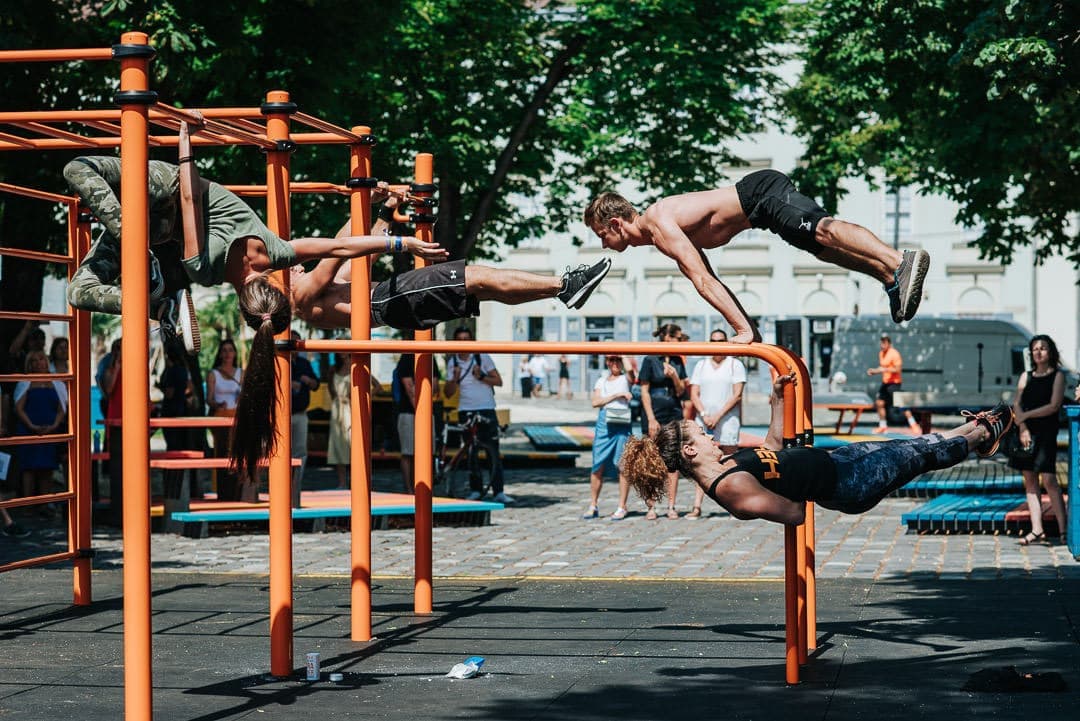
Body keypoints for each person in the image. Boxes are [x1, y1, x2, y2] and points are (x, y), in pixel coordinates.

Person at [228, 251, 611, 486]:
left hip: (392, 303)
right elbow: (334, 251)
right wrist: (395, 239)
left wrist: (381, 211)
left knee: (481, 288)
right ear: (280, 285)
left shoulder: (316, 292)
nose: (295, 266)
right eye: (288, 269)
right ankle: (564, 285)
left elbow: (352, 256)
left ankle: (562, 290)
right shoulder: (303, 293)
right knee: (476, 276)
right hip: (391, 299)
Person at [63, 121, 433, 353]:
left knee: (78, 168)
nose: (296, 273)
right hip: (152, 228)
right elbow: (341, 248)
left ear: (275, 285)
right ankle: (159, 307)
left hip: (168, 192)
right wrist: (391, 229)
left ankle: (139, 259)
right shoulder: (205, 272)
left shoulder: (278, 255)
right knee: (78, 292)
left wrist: (186, 142)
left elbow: (190, 198)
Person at [621, 373, 1015, 525]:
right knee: (920, 456)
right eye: (701, 434)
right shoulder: (729, 488)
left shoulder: (728, 462)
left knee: (914, 444)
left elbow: (772, 449)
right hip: (848, 483)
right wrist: (798, 475)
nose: (709, 435)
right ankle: (984, 435)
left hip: (837, 462)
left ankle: (976, 427)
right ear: (690, 452)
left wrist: (777, 401)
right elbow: (793, 513)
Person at [584, 171, 931, 343]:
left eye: (601, 235)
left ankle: (898, 261)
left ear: (615, 224)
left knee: (822, 230)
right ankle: (890, 278)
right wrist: (748, 327)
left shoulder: (659, 221)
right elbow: (710, 278)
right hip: (761, 214)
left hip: (763, 194)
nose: (603, 245)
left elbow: (703, 281)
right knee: (823, 250)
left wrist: (742, 330)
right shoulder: (659, 233)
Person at [443, 326, 513, 504]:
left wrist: (481, 376)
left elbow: (498, 381)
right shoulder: (453, 362)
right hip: (466, 410)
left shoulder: (482, 357)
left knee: (493, 451)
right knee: (471, 452)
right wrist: (455, 378)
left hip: (486, 408)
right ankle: (476, 489)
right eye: (460, 340)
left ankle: (498, 491)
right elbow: (448, 393)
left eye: (467, 339)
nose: (463, 343)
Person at [1011, 335, 1067, 546]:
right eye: (1035, 348)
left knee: (1050, 480)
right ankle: (1037, 529)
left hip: (1046, 433)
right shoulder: (1025, 376)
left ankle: (1063, 529)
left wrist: (1026, 416)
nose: (1038, 352)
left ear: (1050, 351)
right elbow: (1017, 404)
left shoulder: (1058, 376)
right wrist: (1023, 427)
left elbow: (1054, 406)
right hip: (1026, 433)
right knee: (1030, 480)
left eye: (1042, 348)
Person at [686, 329, 747, 519]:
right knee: (699, 463)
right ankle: (697, 506)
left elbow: (737, 395)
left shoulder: (735, 365)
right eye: (713, 341)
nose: (716, 344)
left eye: (720, 341)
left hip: (727, 419)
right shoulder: (701, 365)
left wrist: (718, 416)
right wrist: (705, 414)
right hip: (705, 418)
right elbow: (694, 393)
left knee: (731, 461)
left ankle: (735, 504)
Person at [637, 323, 688, 520]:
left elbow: (681, 391)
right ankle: (651, 506)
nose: (680, 341)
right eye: (678, 338)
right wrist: (651, 418)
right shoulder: (650, 358)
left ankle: (671, 505)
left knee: (672, 460)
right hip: (654, 410)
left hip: (673, 410)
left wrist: (674, 376)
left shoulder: (677, 360)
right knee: (651, 460)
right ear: (667, 337)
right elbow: (644, 391)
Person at [13, 351, 66, 508]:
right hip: (28, 430)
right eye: (33, 360)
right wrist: (31, 426)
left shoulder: (57, 383)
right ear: (29, 364)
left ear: (47, 361)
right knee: (28, 468)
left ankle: (45, 504)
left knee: (47, 468)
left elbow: (62, 408)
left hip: (51, 430)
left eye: (41, 359)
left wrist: (54, 426)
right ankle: (28, 505)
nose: (38, 363)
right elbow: (19, 408)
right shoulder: (24, 383)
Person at [584, 355, 633, 520]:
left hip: (622, 422)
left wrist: (623, 354)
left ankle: (622, 506)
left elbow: (631, 372)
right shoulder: (601, 381)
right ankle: (593, 504)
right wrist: (617, 395)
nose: (615, 363)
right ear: (607, 362)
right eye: (612, 360)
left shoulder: (626, 379)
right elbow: (595, 402)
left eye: (618, 360)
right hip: (605, 423)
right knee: (597, 464)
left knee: (623, 464)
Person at [205, 339, 244, 499]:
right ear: (220, 354)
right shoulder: (213, 374)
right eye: (224, 350)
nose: (228, 353)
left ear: (235, 353)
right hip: (220, 418)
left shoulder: (241, 373)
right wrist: (217, 404)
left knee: (238, 455)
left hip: (237, 419)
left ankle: (238, 493)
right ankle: (223, 493)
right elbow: (209, 399)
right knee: (221, 454)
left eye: (230, 350)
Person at [866, 332, 921, 434]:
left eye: (884, 342)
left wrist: (883, 370)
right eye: (881, 342)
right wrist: (874, 371)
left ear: (889, 344)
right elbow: (882, 367)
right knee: (879, 403)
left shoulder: (894, 354)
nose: (882, 344)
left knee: (901, 404)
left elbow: (897, 369)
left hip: (894, 384)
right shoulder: (881, 353)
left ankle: (913, 424)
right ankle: (883, 426)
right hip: (885, 383)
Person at [290, 330, 319, 507]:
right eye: (292, 341)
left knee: (300, 452)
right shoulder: (278, 361)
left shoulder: (304, 363)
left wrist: (308, 381)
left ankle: (296, 488)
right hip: (282, 415)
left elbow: (316, 385)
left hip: (301, 414)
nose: (295, 345)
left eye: (297, 342)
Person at [327, 355, 352, 490]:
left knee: (352, 444)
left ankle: (355, 481)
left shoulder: (355, 367)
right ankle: (342, 483)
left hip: (350, 409)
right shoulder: (333, 369)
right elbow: (330, 388)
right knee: (337, 445)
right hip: (337, 409)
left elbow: (377, 386)